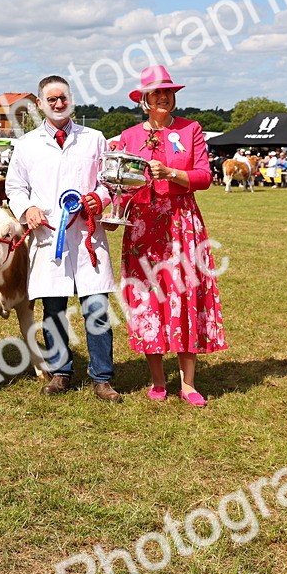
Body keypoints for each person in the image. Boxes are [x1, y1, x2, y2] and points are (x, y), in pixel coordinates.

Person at [110, 65, 227, 406]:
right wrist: (115, 210)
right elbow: (120, 181)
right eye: (157, 92)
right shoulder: (129, 137)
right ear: (144, 100)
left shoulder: (191, 129)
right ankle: (158, 380)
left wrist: (173, 173)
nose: (164, 97)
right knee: (149, 298)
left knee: (187, 295)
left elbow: (204, 176)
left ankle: (189, 384)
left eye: (169, 92)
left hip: (182, 222)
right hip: (144, 226)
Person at [4, 75, 122, 402]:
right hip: (48, 235)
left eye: (63, 98)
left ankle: (102, 377)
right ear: (40, 104)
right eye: (51, 99)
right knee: (53, 309)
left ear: (71, 100)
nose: (58, 104)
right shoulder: (26, 144)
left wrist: (99, 197)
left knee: (96, 308)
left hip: (87, 236)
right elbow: (15, 187)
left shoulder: (94, 139)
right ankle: (60, 371)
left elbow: (109, 181)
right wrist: (27, 208)